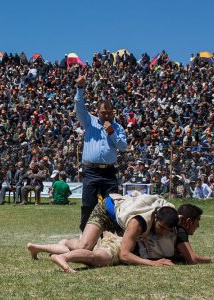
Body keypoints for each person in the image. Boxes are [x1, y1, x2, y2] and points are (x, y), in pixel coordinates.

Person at [28, 205, 179, 272]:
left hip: (114, 233)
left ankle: (37, 247)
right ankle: (63, 257)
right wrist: (153, 263)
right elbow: (124, 255)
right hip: (114, 234)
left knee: (88, 248)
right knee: (98, 257)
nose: (163, 233)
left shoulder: (168, 224)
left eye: (167, 230)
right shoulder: (139, 222)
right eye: (161, 228)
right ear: (155, 218)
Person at [74, 74, 127, 231]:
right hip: (90, 171)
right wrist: (79, 88)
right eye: (104, 113)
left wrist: (111, 131)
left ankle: (111, 233)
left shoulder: (117, 128)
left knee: (111, 204)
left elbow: (123, 147)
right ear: (98, 111)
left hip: (109, 172)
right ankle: (85, 234)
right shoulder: (88, 122)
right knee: (88, 205)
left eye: (109, 113)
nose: (106, 115)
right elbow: (79, 106)